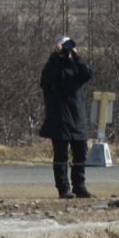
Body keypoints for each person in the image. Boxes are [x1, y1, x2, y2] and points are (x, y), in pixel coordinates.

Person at [39, 37, 95, 200]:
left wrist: (76, 55)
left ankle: (80, 187)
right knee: (61, 156)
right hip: (59, 119)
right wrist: (56, 56)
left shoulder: (76, 69)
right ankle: (64, 189)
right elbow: (46, 78)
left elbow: (88, 74)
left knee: (80, 155)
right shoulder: (53, 68)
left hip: (77, 118)